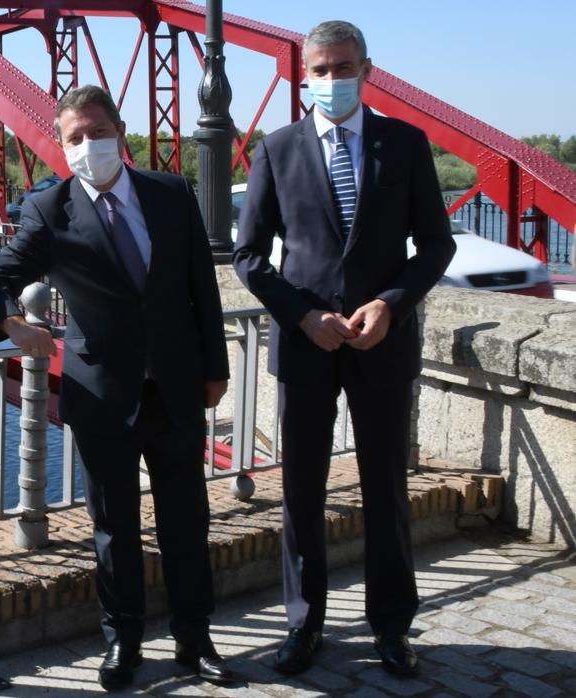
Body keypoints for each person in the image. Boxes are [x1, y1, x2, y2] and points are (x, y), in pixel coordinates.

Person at [0, 85, 232, 691]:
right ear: (62, 148)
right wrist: (10, 324)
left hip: (175, 389)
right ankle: (123, 642)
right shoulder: (51, 209)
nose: (88, 145)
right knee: (113, 527)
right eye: (75, 138)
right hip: (103, 396)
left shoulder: (170, 193)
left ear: (119, 131)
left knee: (187, 522)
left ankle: (195, 641)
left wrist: (215, 367)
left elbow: (203, 283)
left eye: (97, 132)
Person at [232, 20, 456, 678]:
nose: (330, 81)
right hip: (306, 347)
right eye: (320, 70)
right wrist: (302, 317)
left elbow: (435, 247)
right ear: (305, 75)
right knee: (300, 491)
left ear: (366, 69)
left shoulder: (405, 145)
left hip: (383, 342)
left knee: (385, 487)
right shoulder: (276, 149)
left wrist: (390, 303)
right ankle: (302, 624)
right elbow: (247, 255)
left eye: (343, 67)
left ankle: (392, 627)